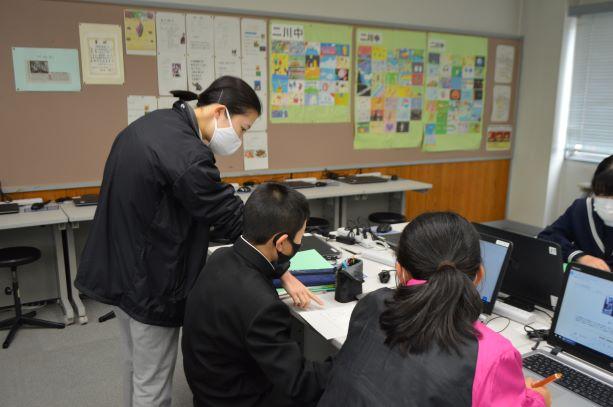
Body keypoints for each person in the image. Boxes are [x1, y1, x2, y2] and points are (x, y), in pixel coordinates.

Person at [75, 76, 315, 407]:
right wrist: (282, 269)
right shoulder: (188, 154)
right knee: (152, 386)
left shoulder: (154, 124)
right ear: (219, 112)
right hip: (149, 283)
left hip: (120, 268)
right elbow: (231, 216)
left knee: (135, 369)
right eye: (243, 128)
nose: (240, 139)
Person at [318, 212, 551, 407]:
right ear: (479, 275)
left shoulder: (372, 303)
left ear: (400, 270)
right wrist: (537, 399)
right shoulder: (494, 354)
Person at [182, 182, 329, 407]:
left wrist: (283, 273)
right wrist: (346, 362)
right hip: (238, 399)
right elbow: (299, 383)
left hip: (208, 387)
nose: (299, 243)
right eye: (300, 237)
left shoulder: (220, 257)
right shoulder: (263, 306)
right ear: (281, 242)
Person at [539, 154, 613, 271]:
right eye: (603, 194)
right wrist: (579, 256)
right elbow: (548, 236)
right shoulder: (582, 209)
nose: (608, 204)